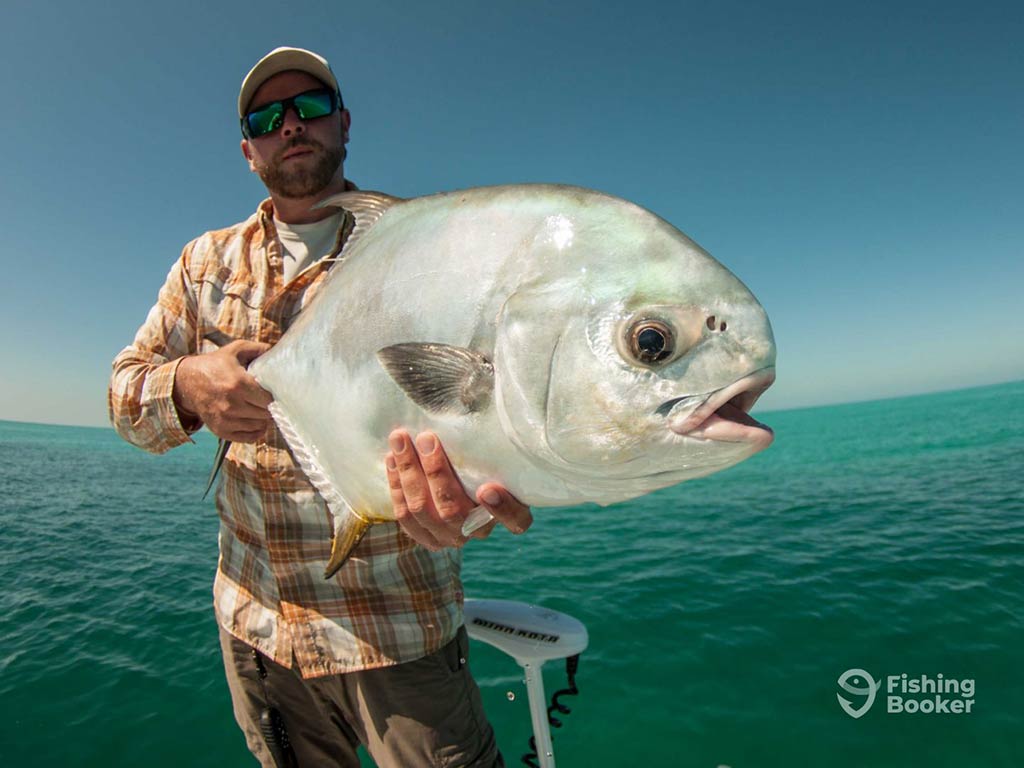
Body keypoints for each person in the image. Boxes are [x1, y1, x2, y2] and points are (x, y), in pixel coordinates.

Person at [108, 46, 532, 768]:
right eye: (268, 118)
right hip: (258, 630)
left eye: (309, 108)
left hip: (399, 632)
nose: (291, 126)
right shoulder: (202, 265)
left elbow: (480, 408)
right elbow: (126, 400)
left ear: (343, 123)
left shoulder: (426, 245)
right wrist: (186, 385)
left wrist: (478, 502)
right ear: (248, 150)